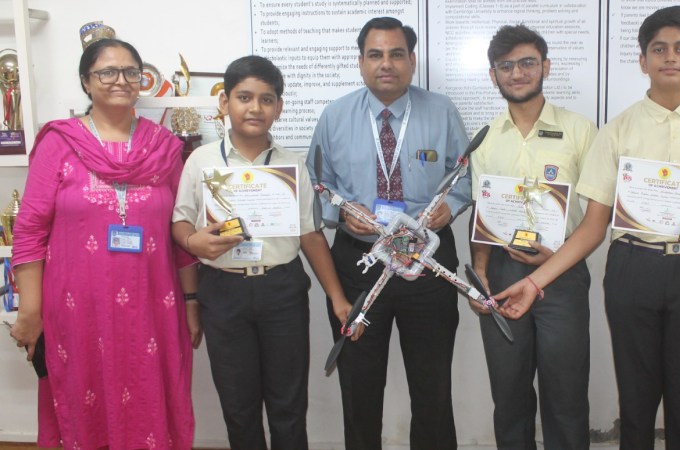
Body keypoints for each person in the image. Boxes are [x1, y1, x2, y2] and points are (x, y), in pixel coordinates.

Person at [494, 6, 680, 449]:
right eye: (659, 49)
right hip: (634, 268)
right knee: (636, 401)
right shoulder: (617, 130)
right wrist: (534, 283)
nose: (669, 57)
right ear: (643, 60)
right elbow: (594, 225)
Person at [10, 38, 197, 449]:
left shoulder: (163, 148)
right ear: (86, 81)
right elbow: (30, 230)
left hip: (153, 306)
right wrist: (30, 311)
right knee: (83, 399)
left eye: (131, 72)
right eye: (107, 72)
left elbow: (181, 232)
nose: (121, 80)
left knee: (149, 396)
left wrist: (191, 302)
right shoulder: (59, 142)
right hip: (78, 307)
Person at [307, 16, 470, 450]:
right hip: (359, 261)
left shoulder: (441, 111)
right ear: (361, 61)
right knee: (359, 384)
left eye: (397, 54)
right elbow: (317, 185)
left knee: (432, 385)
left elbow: (465, 178)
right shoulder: (335, 116)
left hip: (427, 260)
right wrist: (341, 215)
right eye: (375, 54)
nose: (386, 64)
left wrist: (450, 207)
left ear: (412, 60)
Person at [172, 55, 349, 450]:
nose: (255, 108)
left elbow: (310, 235)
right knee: (239, 406)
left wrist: (337, 298)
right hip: (223, 290)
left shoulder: (292, 164)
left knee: (289, 405)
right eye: (244, 97)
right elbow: (180, 221)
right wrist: (192, 241)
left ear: (279, 107)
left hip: (281, 290)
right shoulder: (200, 160)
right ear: (224, 102)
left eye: (266, 99)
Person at [468, 24, 596, 449]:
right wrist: (480, 275)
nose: (517, 73)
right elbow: (482, 215)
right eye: (506, 66)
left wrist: (555, 260)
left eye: (527, 63)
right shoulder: (485, 138)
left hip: (562, 273)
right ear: (493, 75)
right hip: (502, 274)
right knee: (509, 395)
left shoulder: (580, 130)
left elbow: (597, 215)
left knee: (566, 395)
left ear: (546, 67)